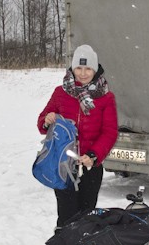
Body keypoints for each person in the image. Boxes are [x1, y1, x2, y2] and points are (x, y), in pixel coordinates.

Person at [37, 44, 118, 227]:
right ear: (72, 69)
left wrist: (93, 156)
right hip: (63, 165)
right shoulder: (61, 92)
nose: (83, 73)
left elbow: (109, 132)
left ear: (95, 70)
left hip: (90, 166)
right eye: (79, 68)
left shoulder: (105, 97)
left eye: (88, 68)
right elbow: (42, 122)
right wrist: (47, 120)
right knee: (66, 216)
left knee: (86, 215)